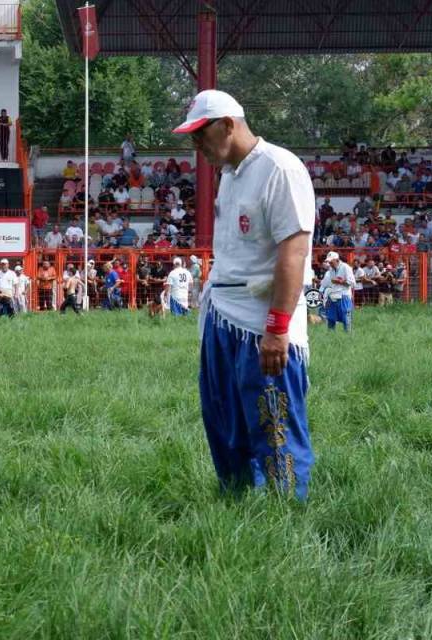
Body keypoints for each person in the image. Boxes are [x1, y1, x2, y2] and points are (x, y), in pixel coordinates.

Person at [173, 89, 315, 499]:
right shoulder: (229, 175)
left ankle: (287, 508)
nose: (196, 146)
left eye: (201, 135)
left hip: (260, 321)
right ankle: (234, 501)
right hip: (223, 314)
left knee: (274, 422)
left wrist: (277, 327)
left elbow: (294, 250)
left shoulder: (280, 168)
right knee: (224, 418)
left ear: (228, 125)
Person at [319, 251, 355, 332]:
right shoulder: (331, 270)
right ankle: (331, 337)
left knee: (346, 319)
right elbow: (326, 282)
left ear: (337, 260)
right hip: (332, 296)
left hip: (344, 295)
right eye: (329, 262)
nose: (330, 264)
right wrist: (321, 291)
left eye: (331, 262)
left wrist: (340, 282)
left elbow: (352, 283)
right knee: (331, 318)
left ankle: (348, 337)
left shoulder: (346, 267)